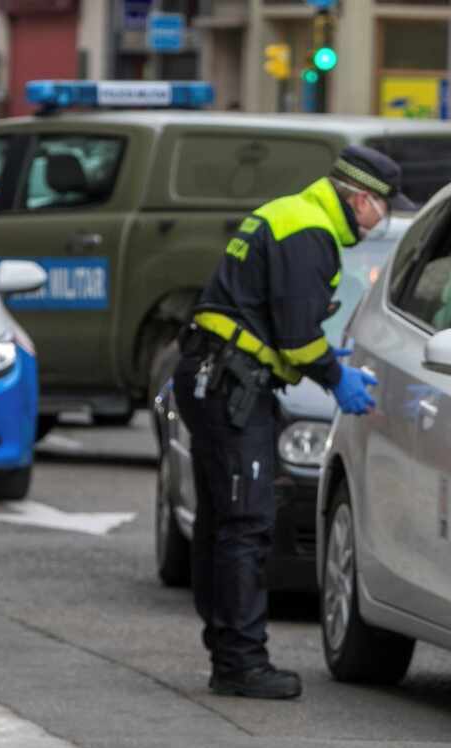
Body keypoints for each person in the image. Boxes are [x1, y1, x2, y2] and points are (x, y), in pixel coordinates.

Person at [174, 146, 410, 700]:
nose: (384, 220)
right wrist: (335, 378)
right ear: (360, 199)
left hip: (215, 375)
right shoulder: (310, 233)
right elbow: (298, 336)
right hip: (231, 385)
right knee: (246, 523)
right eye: (383, 208)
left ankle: (227, 651)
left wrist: (323, 360)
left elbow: (276, 319)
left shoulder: (292, 214)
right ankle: (240, 662)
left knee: (222, 521)